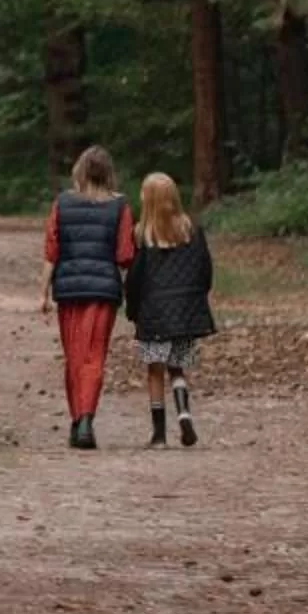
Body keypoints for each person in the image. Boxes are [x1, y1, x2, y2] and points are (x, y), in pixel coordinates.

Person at [39, 145, 135, 449]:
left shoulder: (62, 203)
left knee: (74, 357)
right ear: (109, 173)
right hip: (103, 291)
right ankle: (85, 421)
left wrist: (43, 292)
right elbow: (124, 255)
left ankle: (77, 419)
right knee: (93, 356)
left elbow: (51, 250)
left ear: (80, 171)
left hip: (68, 290)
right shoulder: (120, 207)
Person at [124, 171, 217, 448]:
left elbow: (135, 279)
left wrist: (133, 309)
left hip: (153, 314)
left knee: (155, 370)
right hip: (185, 312)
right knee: (177, 367)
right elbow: (205, 270)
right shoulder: (191, 231)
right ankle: (184, 414)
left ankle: (159, 435)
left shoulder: (142, 235)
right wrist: (197, 298)